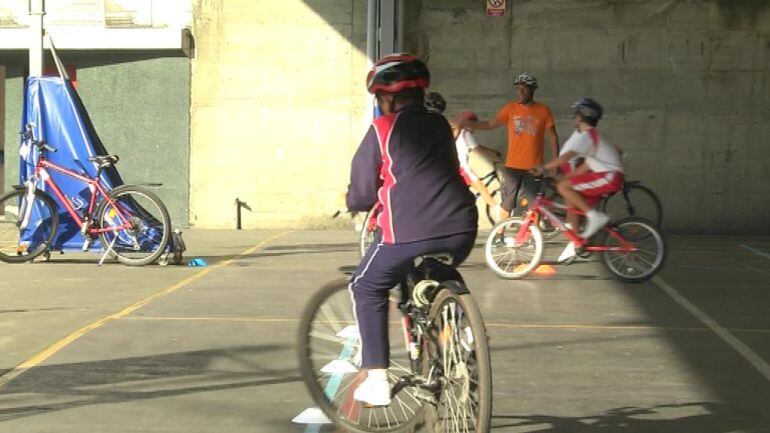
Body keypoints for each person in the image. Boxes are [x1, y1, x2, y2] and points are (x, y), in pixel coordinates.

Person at [345, 54, 478, 406]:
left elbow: (361, 193)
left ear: (386, 98)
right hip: (462, 229)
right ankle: (454, 334)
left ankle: (376, 378)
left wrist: (354, 202)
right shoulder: (439, 126)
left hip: (407, 231)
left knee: (366, 285)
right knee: (433, 274)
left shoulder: (382, 129)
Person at [455, 73, 558, 220]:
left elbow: (553, 136)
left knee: (533, 206)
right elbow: (490, 125)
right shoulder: (510, 108)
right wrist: (467, 124)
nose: (520, 92)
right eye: (518, 89)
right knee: (507, 204)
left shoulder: (543, 111)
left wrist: (555, 164)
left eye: (524, 89)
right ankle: (499, 235)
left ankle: (532, 240)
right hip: (512, 166)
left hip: (533, 167)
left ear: (533, 90)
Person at [532, 97, 623, 262]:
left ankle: (594, 218)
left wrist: (543, 167)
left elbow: (566, 157)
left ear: (581, 116)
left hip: (609, 177)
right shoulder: (590, 136)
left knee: (564, 189)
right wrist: (563, 178)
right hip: (608, 175)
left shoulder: (586, 136)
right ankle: (578, 240)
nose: (574, 118)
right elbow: (585, 167)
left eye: (576, 115)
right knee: (566, 188)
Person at [423, 92, 499, 217]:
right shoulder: (463, 132)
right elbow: (477, 149)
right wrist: (493, 156)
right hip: (459, 166)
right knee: (478, 184)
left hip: (439, 165)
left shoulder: (444, 126)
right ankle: (494, 206)